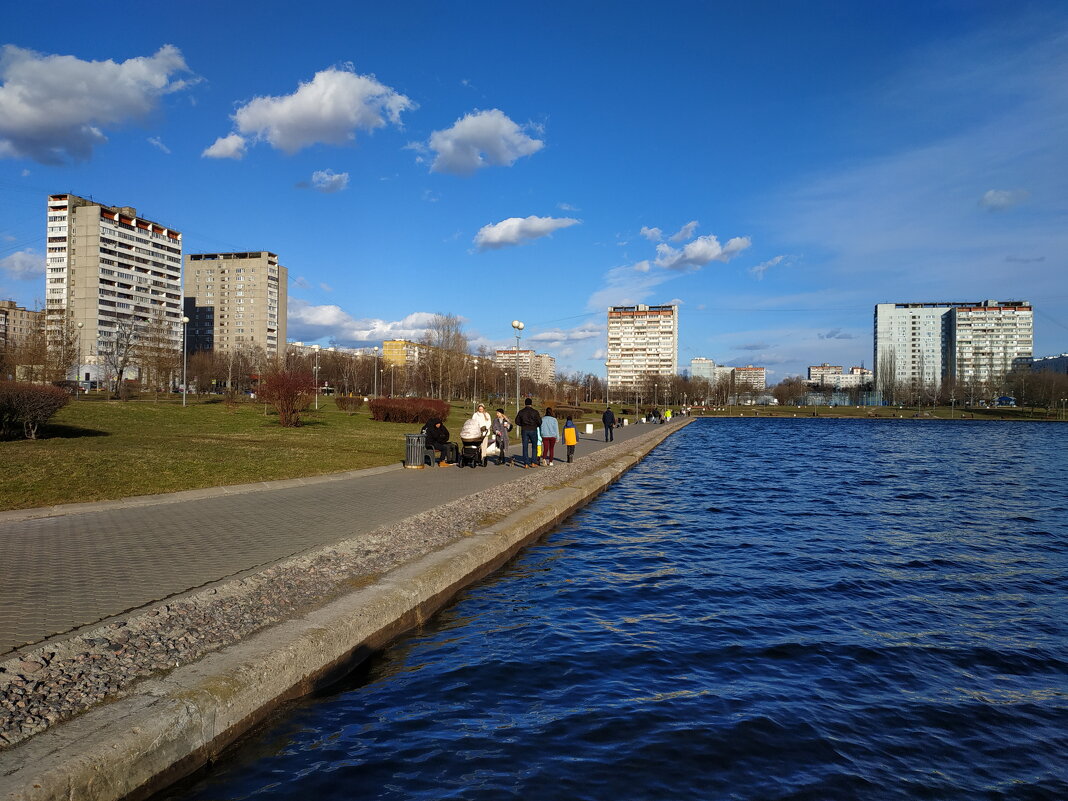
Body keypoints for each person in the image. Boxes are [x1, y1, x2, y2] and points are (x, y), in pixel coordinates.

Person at [515, 398, 542, 467]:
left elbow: (517, 421)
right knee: (534, 446)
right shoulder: (535, 412)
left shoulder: (521, 412)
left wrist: (522, 424)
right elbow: (539, 422)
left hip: (524, 429)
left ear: (525, 403)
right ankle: (533, 462)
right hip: (533, 429)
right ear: (531, 403)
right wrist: (536, 425)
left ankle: (526, 463)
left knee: (525, 446)